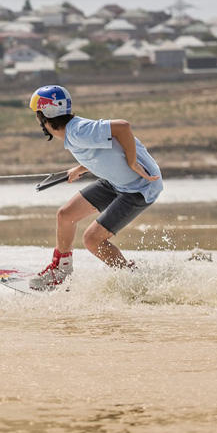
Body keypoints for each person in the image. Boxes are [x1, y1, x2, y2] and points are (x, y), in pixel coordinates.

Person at [27, 84, 162, 290]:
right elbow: (102, 150)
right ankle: (61, 271)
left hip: (138, 188)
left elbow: (122, 127)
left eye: (37, 114)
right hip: (115, 182)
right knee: (65, 215)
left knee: (92, 240)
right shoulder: (74, 132)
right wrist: (81, 168)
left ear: (45, 115)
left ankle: (132, 280)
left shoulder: (79, 131)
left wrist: (133, 162)